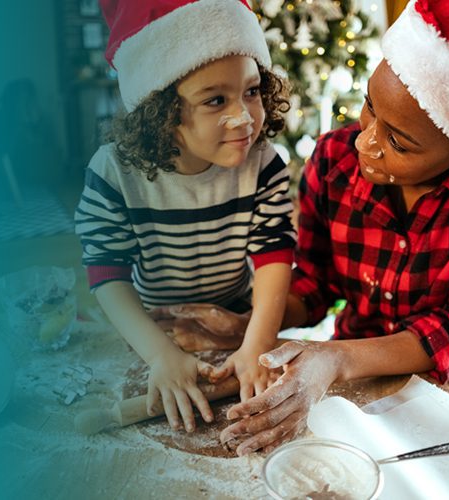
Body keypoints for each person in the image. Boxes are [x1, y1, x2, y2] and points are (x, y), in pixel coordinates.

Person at [158, 0, 449, 454]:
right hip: (350, 366)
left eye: (398, 141)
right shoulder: (334, 159)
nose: (365, 140)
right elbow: (315, 282)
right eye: (368, 106)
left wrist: (337, 358)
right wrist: (251, 323)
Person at [76, 0, 296, 433]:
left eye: (251, 91)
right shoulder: (115, 172)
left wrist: (257, 344)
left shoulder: (265, 164)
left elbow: (274, 255)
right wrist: (160, 355)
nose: (243, 118)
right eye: (215, 100)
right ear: (159, 114)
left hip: (234, 321)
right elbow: (107, 272)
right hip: (153, 326)